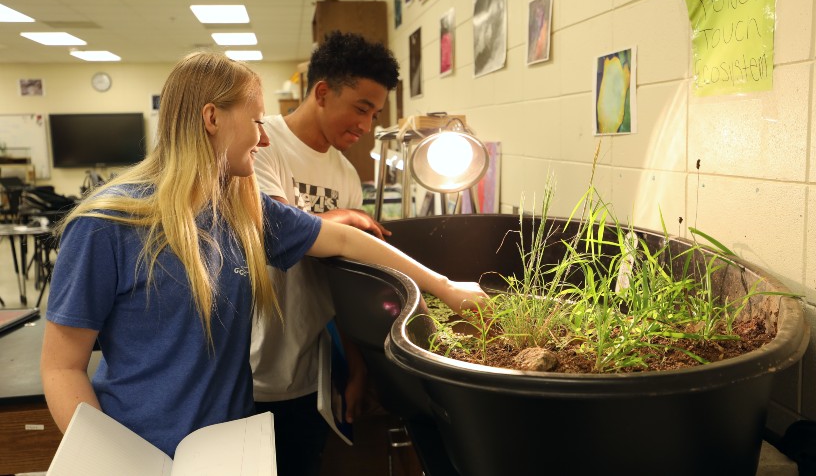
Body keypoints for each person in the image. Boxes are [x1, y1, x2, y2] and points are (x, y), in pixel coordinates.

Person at [39, 51, 487, 459]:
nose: (265, 139)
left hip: (229, 451)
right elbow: (61, 367)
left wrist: (446, 288)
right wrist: (114, 461)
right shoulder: (106, 224)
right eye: (257, 122)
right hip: (138, 449)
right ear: (212, 117)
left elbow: (345, 241)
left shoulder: (243, 210)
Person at [250, 31, 399, 475]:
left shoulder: (346, 175)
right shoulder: (259, 144)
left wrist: (356, 368)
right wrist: (341, 218)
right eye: (361, 108)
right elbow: (273, 231)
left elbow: (343, 282)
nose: (366, 126)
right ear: (321, 92)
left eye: (374, 114)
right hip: (243, 367)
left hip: (304, 372)